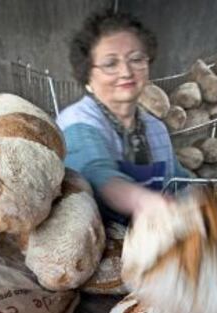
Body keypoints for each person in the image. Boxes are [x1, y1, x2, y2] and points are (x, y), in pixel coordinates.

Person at [56, 9, 189, 224]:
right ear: (87, 74)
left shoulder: (156, 129)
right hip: (95, 248)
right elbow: (96, 173)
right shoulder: (77, 122)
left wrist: (207, 196)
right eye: (110, 64)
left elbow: (178, 180)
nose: (126, 72)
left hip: (154, 244)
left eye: (136, 59)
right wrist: (144, 202)